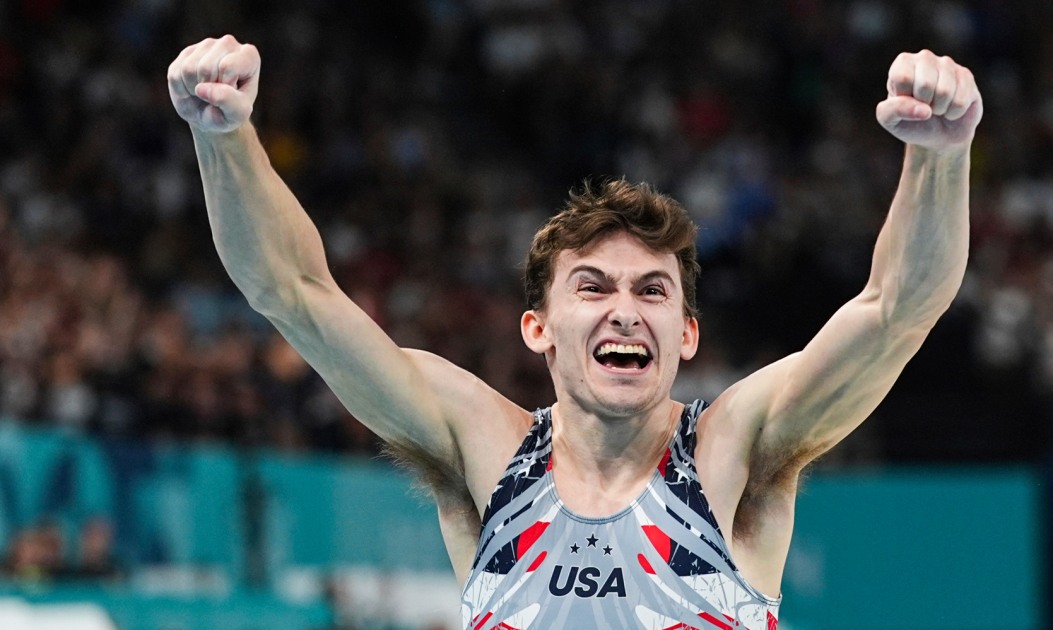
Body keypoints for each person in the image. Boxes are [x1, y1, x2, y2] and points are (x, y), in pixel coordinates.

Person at [168, 35, 981, 629]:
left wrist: (941, 157)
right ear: (538, 328)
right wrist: (224, 139)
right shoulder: (482, 451)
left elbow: (895, 311)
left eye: (653, 291)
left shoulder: (733, 450)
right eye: (592, 286)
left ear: (686, 335)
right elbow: (295, 292)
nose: (625, 308)